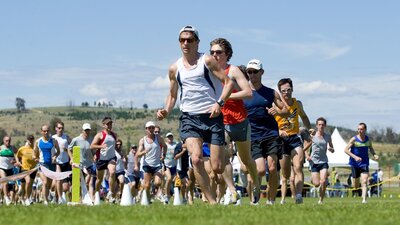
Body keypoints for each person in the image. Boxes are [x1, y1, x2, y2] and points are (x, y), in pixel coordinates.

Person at [156, 25, 234, 204]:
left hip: (212, 116)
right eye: (182, 40)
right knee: (196, 159)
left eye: (189, 40)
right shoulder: (174, 68)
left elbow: (228, 83)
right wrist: (166, 110)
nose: (185, 43)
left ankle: (222, 177)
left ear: (197, 43)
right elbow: (173, 95)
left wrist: (219, 103)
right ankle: (212, 201)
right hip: (189, 117)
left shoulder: (207, 61)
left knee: (218, 167)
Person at [209, 38, 260, 204]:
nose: (215, 55)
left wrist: (225, 97)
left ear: (227, 54)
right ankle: (232, 191)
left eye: (219, 52)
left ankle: (257, 184)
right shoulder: (208, 70)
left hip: (239, 120)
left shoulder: (234, 70)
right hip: (219, 119)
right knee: (224, 157)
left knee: (246, 160)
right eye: (212, 52)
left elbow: (248, 93)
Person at [242, 59, 288, 205]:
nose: (252, 75)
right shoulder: (243, 93)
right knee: (260, 170)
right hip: (252, 136)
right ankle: (253, 199)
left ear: (262, 72)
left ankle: (271, 201)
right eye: (249, 72)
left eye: (255, 72)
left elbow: (286, 110)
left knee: (273, 168)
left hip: (271, 134)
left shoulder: (271, 92)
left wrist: (278, 111)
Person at [274, 78, 311, 204]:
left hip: (295, 138)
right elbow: (270, 124)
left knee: (298, 167)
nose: (286, 93)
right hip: (281, 140)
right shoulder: (275, 105)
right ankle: (287, 194)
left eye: (288, 90)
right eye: (283, 91)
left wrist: (309, 128)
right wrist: (279, 132)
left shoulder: (297, 103)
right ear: (279, 92)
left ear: (292, 90)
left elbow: (304, 117)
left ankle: (299, 195)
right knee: (285, 173)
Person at [344, 122, 379, 203]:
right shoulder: (354, 139)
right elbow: (345, 150)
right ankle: (357, 188)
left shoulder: (368, 139)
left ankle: (364, 200)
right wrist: (355, 157)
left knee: (364, 181)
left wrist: (374, 154)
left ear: (365, 130)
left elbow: (371, 148)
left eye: (361, 129)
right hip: (354, 164)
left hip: (364, 163)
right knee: (355, 186)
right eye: (358, 129)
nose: (359, 131)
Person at [136, 121, 166, 204]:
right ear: (146, 129)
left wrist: (164, 155)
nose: (151, 129)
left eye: (153, 127)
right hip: (147, 165)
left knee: (158, 182)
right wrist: (144, 152)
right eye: (149, 128)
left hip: (157, 165)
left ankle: (154, 191)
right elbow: (138, 154)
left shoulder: (159, 138)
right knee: (147, 185)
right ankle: (148, 199)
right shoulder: (142, 140)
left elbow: (165, 146)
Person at [305, 117, 334, 204]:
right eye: (319, 124)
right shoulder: (312, 137)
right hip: (313, 162)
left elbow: (332, 147)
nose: (321, 126)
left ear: (325, 125)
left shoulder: (328, 136)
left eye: (322, 124)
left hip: (323, 161)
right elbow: (305, 148)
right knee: (316, 184)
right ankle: (313, 179)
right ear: (317, 126)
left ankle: (321, 200)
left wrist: (331, 149)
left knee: (323, 181)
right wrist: (307, 156)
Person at [90, 116, 118, 204]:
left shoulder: (114, 135)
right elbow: (92, 146)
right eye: (107, 124)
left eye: (110, 124)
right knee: (99, 179)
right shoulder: (100, 135)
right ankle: (96, 194)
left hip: (111, 158)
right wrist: (101, 146)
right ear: (103, 125)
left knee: (112, 172)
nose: (109, 125)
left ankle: (110, 192)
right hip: (101, 159)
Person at [33, 124, 60, 205]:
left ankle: (47, 197)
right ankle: (45, 201)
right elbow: (34, 154)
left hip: (52, 165)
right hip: (42, 164)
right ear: (41, 132)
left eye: (47, 131)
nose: (46, 132)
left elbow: (58, 151)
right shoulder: (38, 142)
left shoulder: (54, 140)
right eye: (44, 131)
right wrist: (35, 158)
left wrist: (55, 156)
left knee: (50, 184)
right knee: (44, 182)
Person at [68, 123, 95, 203]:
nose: (87, 132)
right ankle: (72, 195)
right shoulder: (76, 140)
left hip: (89, 164)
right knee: (77, 184)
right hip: (79, 165)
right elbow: (69, 149)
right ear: (82, 130)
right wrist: (72, 158)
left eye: (88, 130)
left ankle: (86, 199)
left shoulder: (91, 139)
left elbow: (93, 149)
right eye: (86, 130)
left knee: (87, 182)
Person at [52, 121, 71, 204]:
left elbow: (71, 148)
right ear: (56, 128)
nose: (61, 129)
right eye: (59, 128)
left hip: (66, 162)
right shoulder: (52, 138)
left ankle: (55, 196)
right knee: (58, 180)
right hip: (57, 162)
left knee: (66, 187)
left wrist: (71, 158)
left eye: (62, 128)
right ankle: (59, 198)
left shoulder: (66, 137)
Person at [15, 134, 38, 205]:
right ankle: (27, 199)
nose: (31, 140)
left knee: (26, 187)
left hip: (33, 169)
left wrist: (37, 159)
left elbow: (38, 157)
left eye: (32, 139)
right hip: (24, 169)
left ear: (33, 140)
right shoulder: (22, 149)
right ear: (27, 140)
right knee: (28, 182)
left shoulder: (35, 149)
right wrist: (18, 162)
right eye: (29, 139)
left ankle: (21, 196)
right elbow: (17, 155)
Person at [0, 136, 17, 205]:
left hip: (10, 169)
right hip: (1, 168)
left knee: (9, 186)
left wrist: (15, 161)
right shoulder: (1, 148)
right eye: (6, 141)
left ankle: (1, 197)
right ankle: (6, 198)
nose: (8, 142)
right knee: (5, 182)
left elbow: (18, 156)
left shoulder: (13, 148)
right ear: (3, 141)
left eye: (9, 140)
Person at [163, 132, 177, 204]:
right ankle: (166, 195)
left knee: (175, 181)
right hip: (166, 165)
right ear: (166, 138)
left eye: (171, 137)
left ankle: (171, 195)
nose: (170, 138)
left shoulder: (176, 144)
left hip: (175, 165)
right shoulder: (164, 145)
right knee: (168, 178)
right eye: (168, 137)